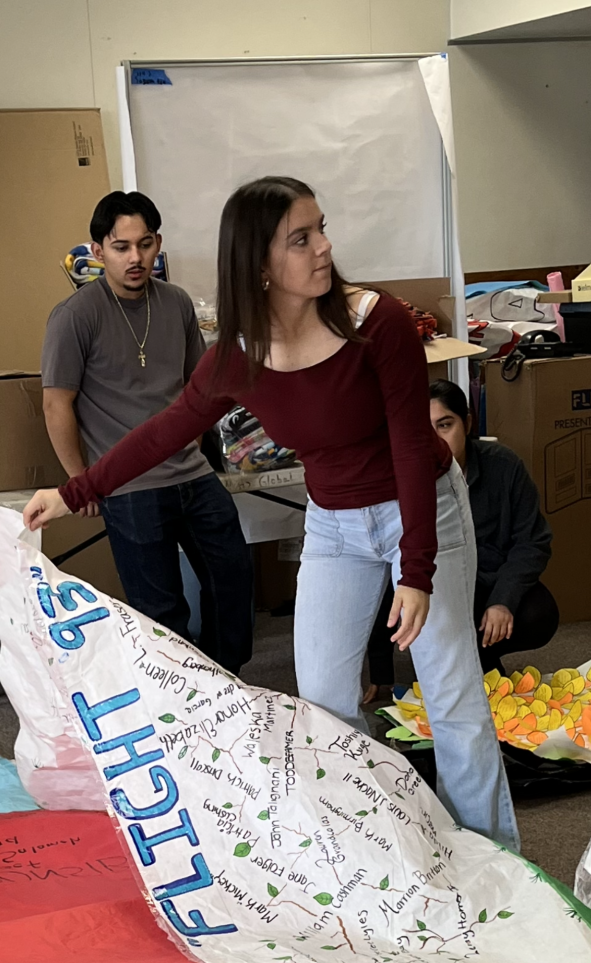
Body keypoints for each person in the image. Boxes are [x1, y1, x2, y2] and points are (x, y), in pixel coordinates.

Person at [24, 176, 519, 851]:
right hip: (336, 525)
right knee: (323, 704)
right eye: (301, 238)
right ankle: (375, 850)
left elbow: (410, 444)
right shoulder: (240, 354)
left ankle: (496, 859)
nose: (325, 247)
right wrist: (73, 490)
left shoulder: (377, 322)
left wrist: (416, 571)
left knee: (450, 694)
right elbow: (163, 431)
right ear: (258, 262)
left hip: (422, 506)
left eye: (321, 229)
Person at [41, 189, 253, 674]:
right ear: (98, 251)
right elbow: (56, 406)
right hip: (128, 485)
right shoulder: (74, 316)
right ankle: (179, 697)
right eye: (121, 247)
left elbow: (198, 388)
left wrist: (194, 445)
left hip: (193, 474)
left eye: (145, 244)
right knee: (160, 612)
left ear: (158, 243)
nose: (135, 258)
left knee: (233, 580)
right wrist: (81, 482)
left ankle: (224, 683)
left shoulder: (175, 303)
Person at [363, 379, 558, 700]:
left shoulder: (504, 466)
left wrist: (503, 601)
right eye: (422, 429)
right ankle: (471, 661)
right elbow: (380, 569)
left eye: (444, 425)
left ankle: (479, 656)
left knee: (539, 613)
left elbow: (532, 542)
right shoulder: (397, 479)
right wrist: (381, 669)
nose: (434, 440)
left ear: (467, 424)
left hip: (488, 582)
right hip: (434, 588)